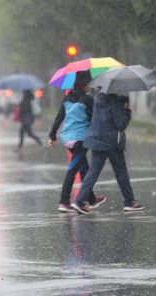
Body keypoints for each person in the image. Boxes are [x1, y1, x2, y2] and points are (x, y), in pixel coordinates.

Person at [71, 93, 144, 214]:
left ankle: (79, 201)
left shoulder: (99, 96)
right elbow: (121, 124)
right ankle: (130, 202)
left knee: (93, 172)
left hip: (97, 138)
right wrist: (127, 111)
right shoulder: (116, 99)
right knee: (121, 171)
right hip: (111, 141)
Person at [47, 71, 106, 212]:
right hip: (81, 139)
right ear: (85, 84)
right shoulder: (88, 100)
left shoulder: (67, 98)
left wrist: (52, 135)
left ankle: (91, 199)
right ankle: (64, 201)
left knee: (84, 168)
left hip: (67, 138)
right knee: (73, 169)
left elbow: (59, 117)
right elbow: (94, 119)